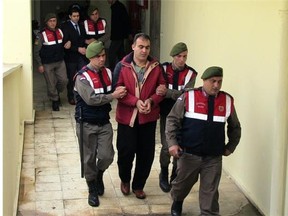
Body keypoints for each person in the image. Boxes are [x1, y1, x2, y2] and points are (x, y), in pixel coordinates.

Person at [166, 66, 242, 216]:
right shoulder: (189, 96)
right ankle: (178, 201)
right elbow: (172, 120)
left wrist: (230, 146)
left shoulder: (227, 100)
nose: (216, 85)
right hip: (188, 154)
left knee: (210, 194)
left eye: (219, 81)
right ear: (204, 80)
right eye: (213, 81)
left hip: (213, 158)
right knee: (181, 185)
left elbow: (235, 127)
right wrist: (172, 143)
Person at [113, 33, 166, 199]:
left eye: (147, 47)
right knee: (125, 151)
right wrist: (135, 101)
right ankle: (125, 180)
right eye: (141, 46)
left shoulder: (157, 67)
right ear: (133, 46)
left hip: (148, 118)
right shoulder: (121, 66)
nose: (144, 50)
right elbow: (117, 90)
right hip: (127, 118)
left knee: (146, 154)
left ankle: (138, 185)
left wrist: (152, 100)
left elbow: (162, 90)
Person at [74, 41, 127, 207]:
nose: (102, 59)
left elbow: (119, 87)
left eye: (103, 55)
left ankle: (99, 175)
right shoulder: (82, 77)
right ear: (90, 57)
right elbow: (91, 99)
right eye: (98, 56)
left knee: (107, 156)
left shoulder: (109, 73)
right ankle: (92, 189)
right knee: (88, 158)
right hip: (86, 123)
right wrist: (113, 95)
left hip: (104, 122)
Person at [156, 42, 198, 193]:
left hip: (183, 114)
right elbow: (158, 89)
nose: (182, 59)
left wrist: (168, 92)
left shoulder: (191, 74)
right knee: (167, 146)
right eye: (179, 56)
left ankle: (175, 174)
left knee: (179, 145)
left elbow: (187, 95)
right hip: (166, 113)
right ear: (173, 56)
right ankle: (164, 172)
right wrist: (171, 93)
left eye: (185, 56)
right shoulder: (163, 68)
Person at [33, 13, 68, 111]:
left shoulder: (60, 31)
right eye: (50, 21)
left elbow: (64, 43)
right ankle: (55, 100)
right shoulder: (41, 35)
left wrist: (68, 43)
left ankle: (55, 93)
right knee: (51, 83)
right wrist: (40, 64)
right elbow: (36, 51)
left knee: (64, 81)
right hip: (47, 63)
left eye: (54, 21)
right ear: (46, 22)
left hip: (60, 61)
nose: (53, 23)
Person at [61, 7, 87, 105]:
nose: (76, 18)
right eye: (74, 16)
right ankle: (70, 96)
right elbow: (66, 44)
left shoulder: (81, 26)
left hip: (81, 56)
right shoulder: (65, 27)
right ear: (70, 16)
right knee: (71, 78)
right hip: (71, 57)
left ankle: (82, 95)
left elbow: (83, 39)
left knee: (82, 76)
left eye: (78, 16)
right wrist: (77, 48)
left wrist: (84, 48)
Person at [107, 0, 132, 71]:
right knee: (121, 53)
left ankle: (112, 69)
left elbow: (126, 20)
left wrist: (129, 33)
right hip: (118, 34)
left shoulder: (119, 7)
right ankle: (125, 68)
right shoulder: (115, 6)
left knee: (111, 53)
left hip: (118, 35)